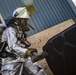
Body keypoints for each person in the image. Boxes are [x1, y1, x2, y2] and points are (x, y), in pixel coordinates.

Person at [0, 6, 47, 75]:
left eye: (26, 20)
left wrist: (29, 52)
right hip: (10, 62)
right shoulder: (10, 30)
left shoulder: (20, 32)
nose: (25, 22)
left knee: (37, 71)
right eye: (24, 20)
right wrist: (26, 52)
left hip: (21, 59)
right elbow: (13, 46)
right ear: (17, 20)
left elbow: (21, 47)